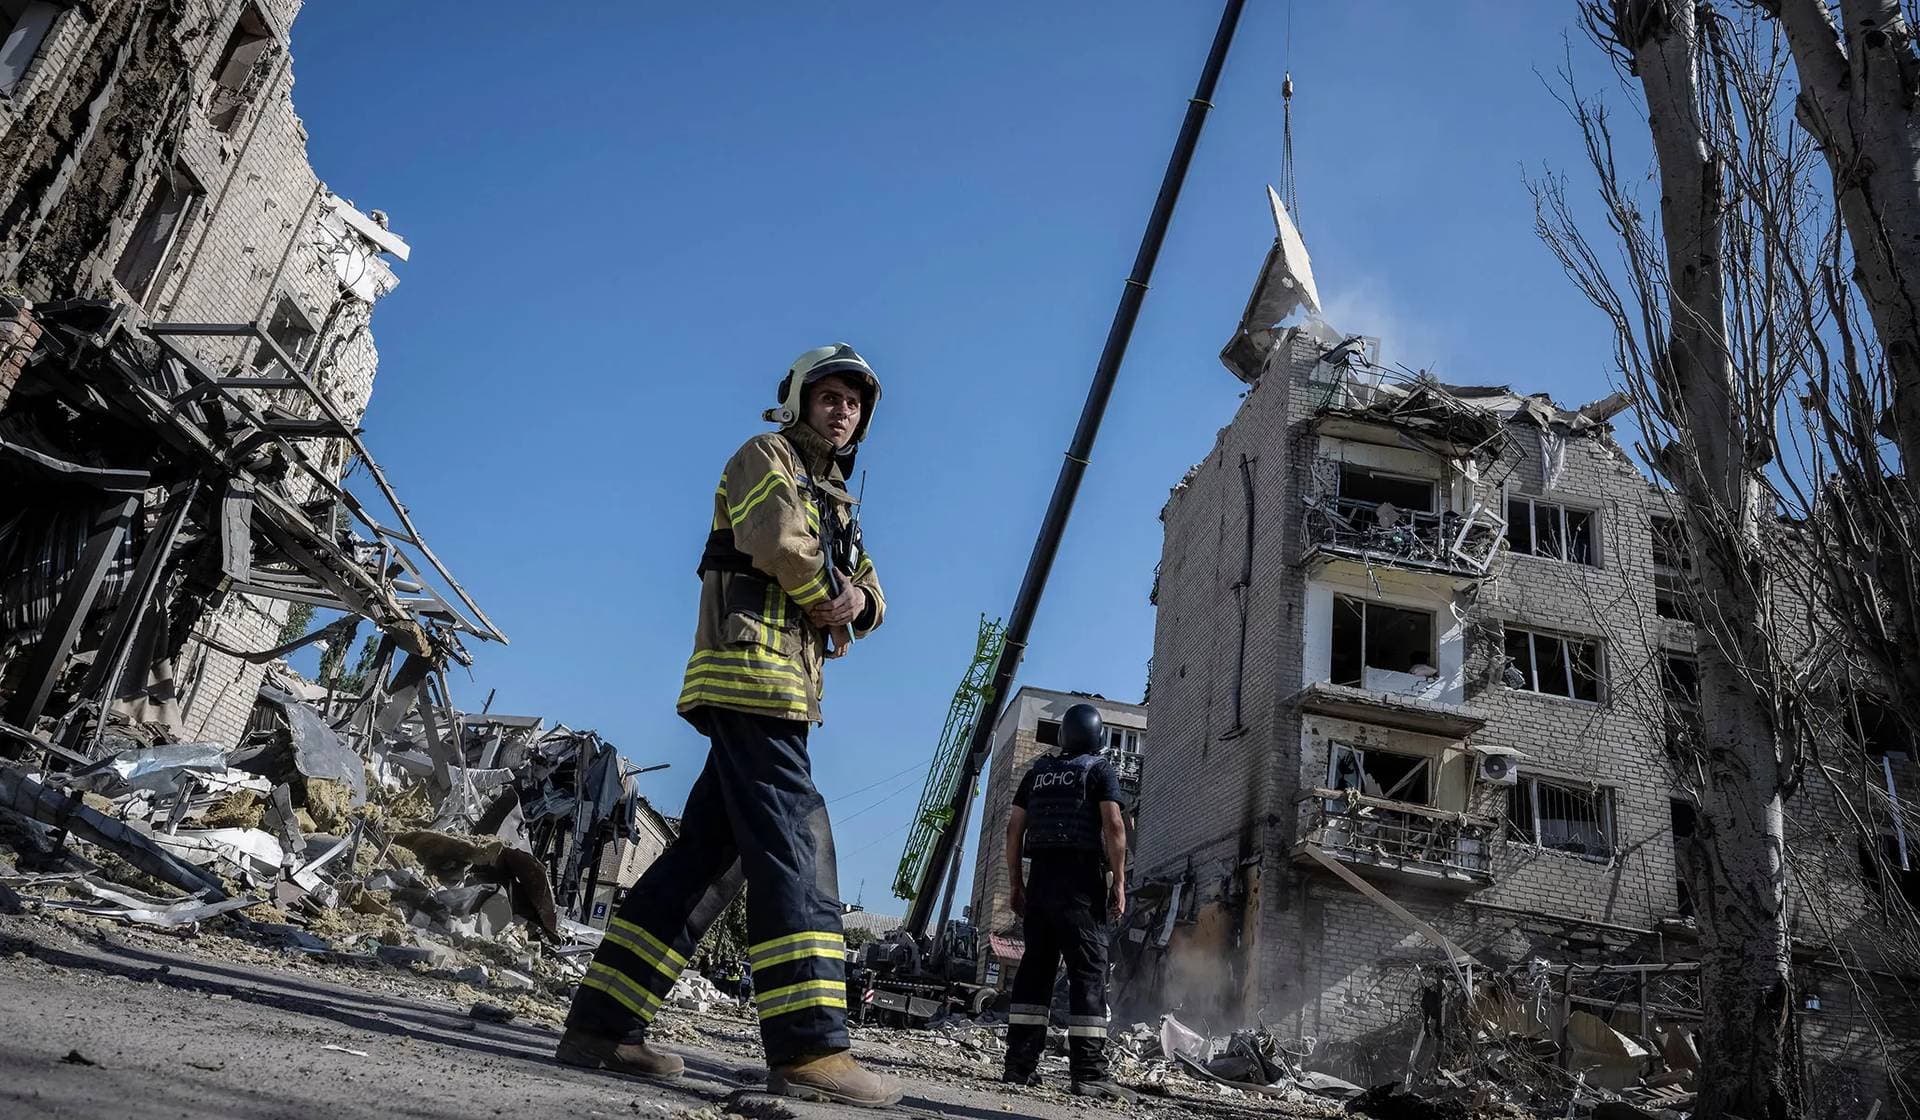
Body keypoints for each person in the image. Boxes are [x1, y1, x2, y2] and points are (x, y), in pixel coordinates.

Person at [554, 343, 900, 1108]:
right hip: (750, 675)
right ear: (798, 400)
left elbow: (872, 587)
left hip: (785, 690)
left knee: (705, 860)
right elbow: (777, 538)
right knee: (798, 840)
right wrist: (826, 597)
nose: (842, 411)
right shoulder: (764, 456)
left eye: (854, 402)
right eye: (830, 396)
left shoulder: (838, 497)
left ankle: (602, 1024)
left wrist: (859, 605)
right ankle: (809, 1047)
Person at [1000, 703, 1137, 1102]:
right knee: (1088, 972)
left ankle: (1018, 1065)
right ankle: (1090, 1073)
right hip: (1080, 882)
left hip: (1040, 879)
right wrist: (1120, 882)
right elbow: (1113, 826)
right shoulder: (1098, 770)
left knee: (1035, 970)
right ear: (1097, 738)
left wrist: (1015, 884)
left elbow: (1013, 830)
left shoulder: (1037, 773)